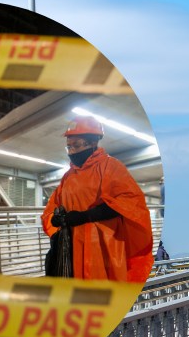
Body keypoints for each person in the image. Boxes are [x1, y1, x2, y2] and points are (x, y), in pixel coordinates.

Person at [41, 117, 153, 283]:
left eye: (76, 145)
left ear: (92, 143)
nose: (72, 151)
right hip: (72, 245)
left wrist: (86, 216)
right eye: (69, 147)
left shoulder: (111, 167)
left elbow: (130, 201)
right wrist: (54, 219)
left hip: (103, 247)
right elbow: (53, 206)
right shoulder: (68, 177)